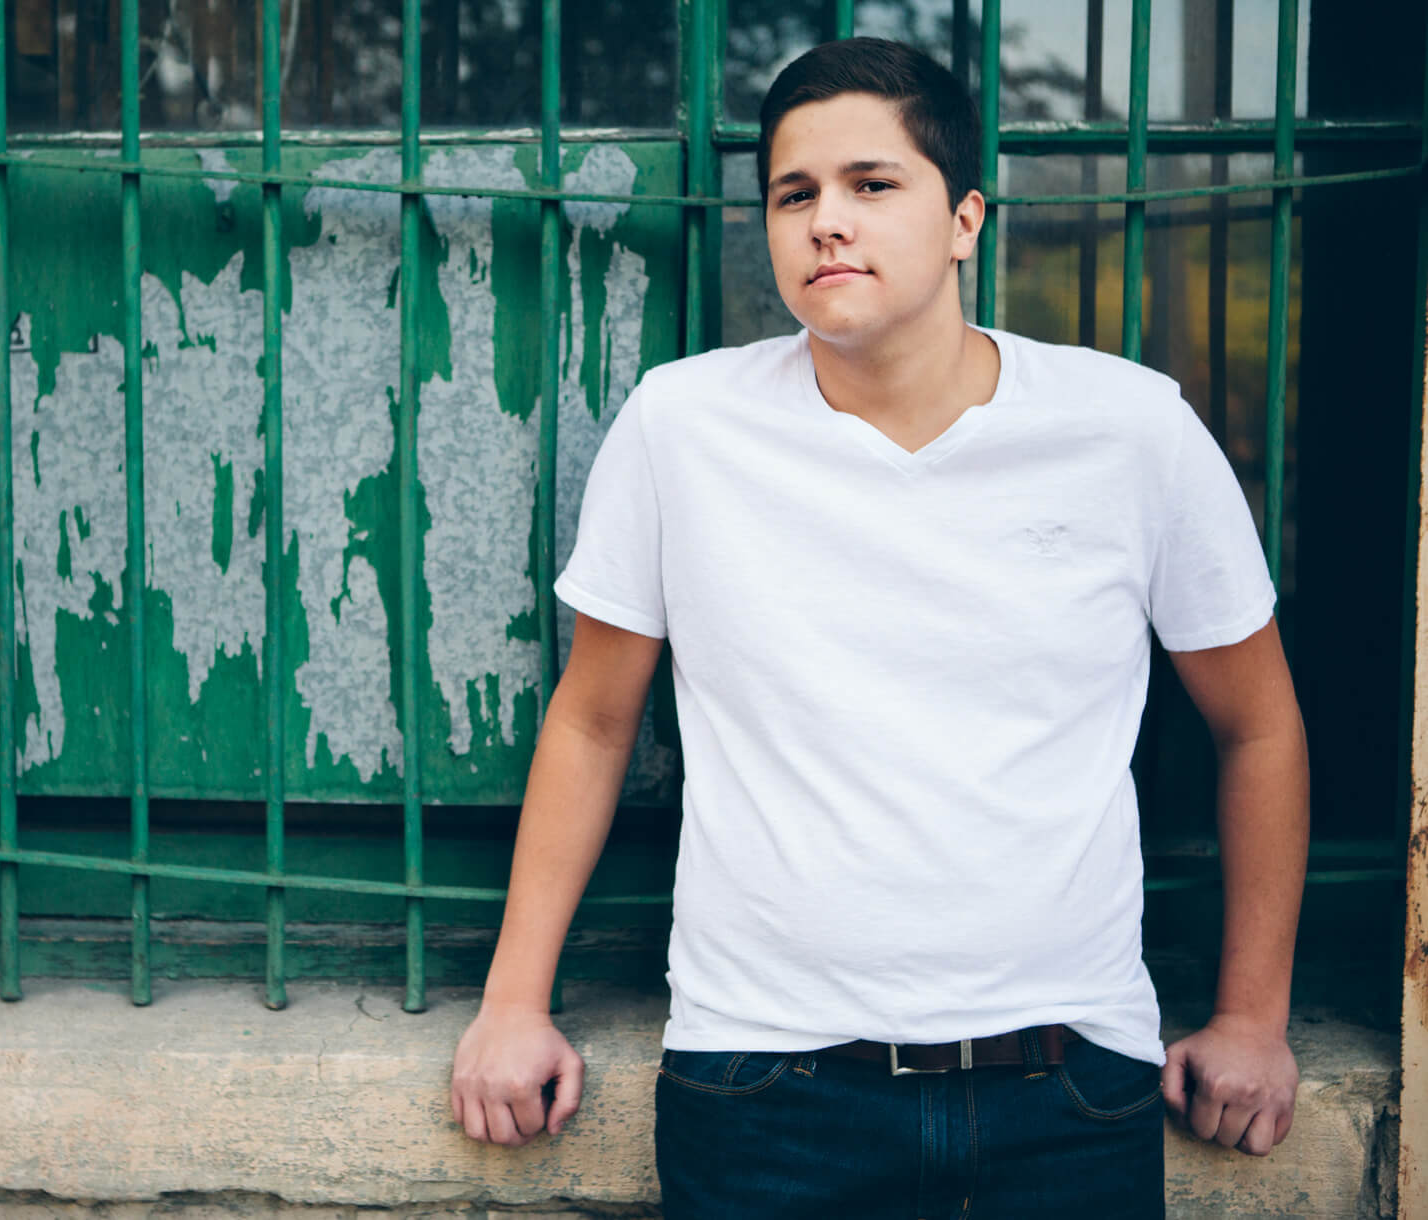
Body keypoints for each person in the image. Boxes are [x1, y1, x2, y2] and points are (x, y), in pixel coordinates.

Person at [448, 36, 1308, 1219]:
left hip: (1067, 1090)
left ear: (965, 219)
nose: (826, 222)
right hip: (764, 1090)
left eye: (871, 184)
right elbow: (594, 724)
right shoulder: (684, 427)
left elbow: (1259, 726)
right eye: (794, 195)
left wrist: (1254, 1015)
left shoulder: (1130, 431)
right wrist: (513, 1001)